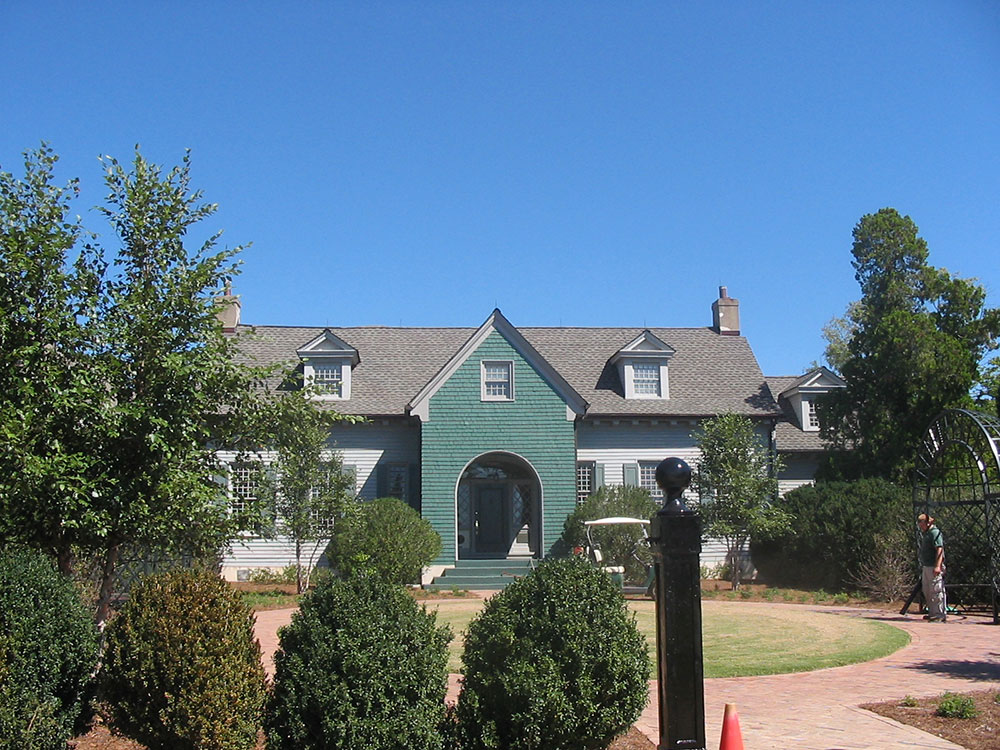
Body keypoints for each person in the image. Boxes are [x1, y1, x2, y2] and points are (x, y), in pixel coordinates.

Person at [917, 513, 946, 622]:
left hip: (934, 566)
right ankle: (932, 612)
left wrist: (937, 566)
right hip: (926, 566)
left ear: (928, 523)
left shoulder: (935, 533)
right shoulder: (927, 533)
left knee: (936, 590)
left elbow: (939, 549)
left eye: (922, 524)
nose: (921, 526)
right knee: (927, 590)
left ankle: (939, 614)